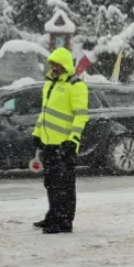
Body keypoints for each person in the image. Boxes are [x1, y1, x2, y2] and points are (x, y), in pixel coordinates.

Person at [31, 47, 89, 234]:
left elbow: (81, 116)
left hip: (64, 146)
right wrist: (37, 133)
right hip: (49, 144)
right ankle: (53, 215)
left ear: (65, 65)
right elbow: (45, 113)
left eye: (57, 64)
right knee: (51, 183)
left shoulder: (75, 85)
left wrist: (73, 140)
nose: (54, 67)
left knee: (64, 185)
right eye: (52, 64)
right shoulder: (49, 84)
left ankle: (64, 221)